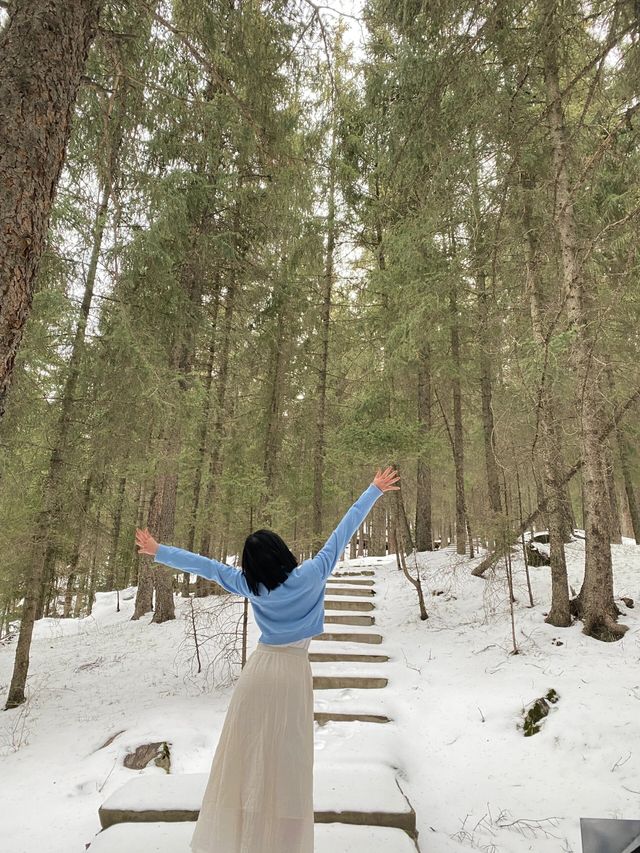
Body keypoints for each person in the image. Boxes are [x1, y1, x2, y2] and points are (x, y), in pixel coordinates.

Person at [134, 465, 400, 853]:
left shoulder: (250, 586)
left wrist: (160, 552)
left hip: (258, 673)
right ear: (282, 552)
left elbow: (206, 566)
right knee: (287, 763)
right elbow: (343, 531)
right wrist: (373, 490)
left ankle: (242, 839)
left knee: (247, 759)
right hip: (292, 673)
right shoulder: (312, 573)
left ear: (253, 565)